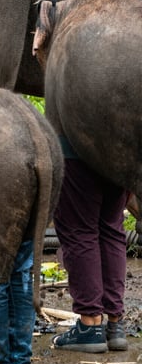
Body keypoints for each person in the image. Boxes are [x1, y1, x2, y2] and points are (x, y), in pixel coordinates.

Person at [51, 142, 128, 353]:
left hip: (76, 151)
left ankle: (90, 325)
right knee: (112, 228)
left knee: (79, 229)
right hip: (121, 151)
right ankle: (115, 325)